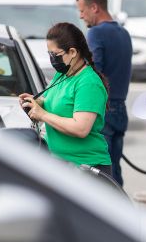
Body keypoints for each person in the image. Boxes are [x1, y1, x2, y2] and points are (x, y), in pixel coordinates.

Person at [20, 22, 113, 178]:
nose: (52, 59)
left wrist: (42, 115)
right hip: (61, 165)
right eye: (49, 54)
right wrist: (36, 103)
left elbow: (81, 128)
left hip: (85, 168)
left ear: (72, 52)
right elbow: (55, 101)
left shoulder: (88, 83)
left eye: (55, 55)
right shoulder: (63, 74)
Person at [76, 0, 133, 187]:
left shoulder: (96, 34)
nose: (81, 16)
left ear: (95, 7)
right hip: (120, 110)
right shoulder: (123, 33)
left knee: (101, 176)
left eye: (82, 11)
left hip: (103, 112)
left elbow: (93, 73)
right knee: (114, 170)